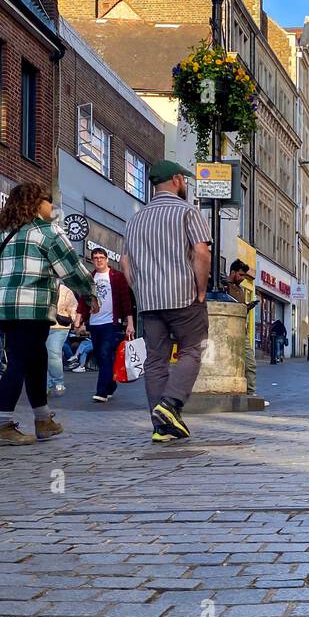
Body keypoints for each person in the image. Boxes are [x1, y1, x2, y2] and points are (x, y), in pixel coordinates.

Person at [0, 183, 95, 446]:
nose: (52, 206)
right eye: (48, 200)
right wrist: (90, 293)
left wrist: (6, 278)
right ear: (36, 203)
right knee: (20, 359)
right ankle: (2, 425)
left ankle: (43, 420)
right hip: (33, 306)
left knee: (36, 356)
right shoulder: (49, 233)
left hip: (4, 306)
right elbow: (72, 269)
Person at [122, 160, 211, 444]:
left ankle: (161, 427)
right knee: (192, 351)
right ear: (176, 180)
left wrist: (140, 290)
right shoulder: (187, 211)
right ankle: (170, 404)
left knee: (156, 360)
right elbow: (201, 253)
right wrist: (201, 289)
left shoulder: (135, 219)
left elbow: (125, 263)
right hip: (183, 295)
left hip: (149, 301)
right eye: (183, 179)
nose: (184, 183)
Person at [76, 247, 134, 404]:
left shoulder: (117, 277)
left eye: (101, 257)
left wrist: (130, 323)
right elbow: (83, 300)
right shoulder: (89, 278)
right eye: (95, 258)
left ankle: (101, 391)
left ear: (107, 259)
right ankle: (111, 385)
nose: (98, 260)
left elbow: (126, 301)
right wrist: (78, 321)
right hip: (94, 323)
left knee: (105, 353)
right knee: (102, 358)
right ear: (92, 260)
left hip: (111, 323)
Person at [225, 260, 260, 397]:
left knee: (250, 363)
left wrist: (247, 306)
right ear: (232, 272)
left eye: (244, 276)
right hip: (228, 330)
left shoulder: (240, 289)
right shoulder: (224, 287)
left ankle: (251, 392)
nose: (242, 278)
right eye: (240, 275)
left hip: (241, 331)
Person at [47, 283, 77, 396]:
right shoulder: (41, 288)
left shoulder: (66, 291)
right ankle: (47, 385)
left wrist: (73, 318)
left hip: (60, 327)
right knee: (45, 355)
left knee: (53, 352)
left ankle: (58, 381)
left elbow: (73, 307)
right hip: (43, 326)